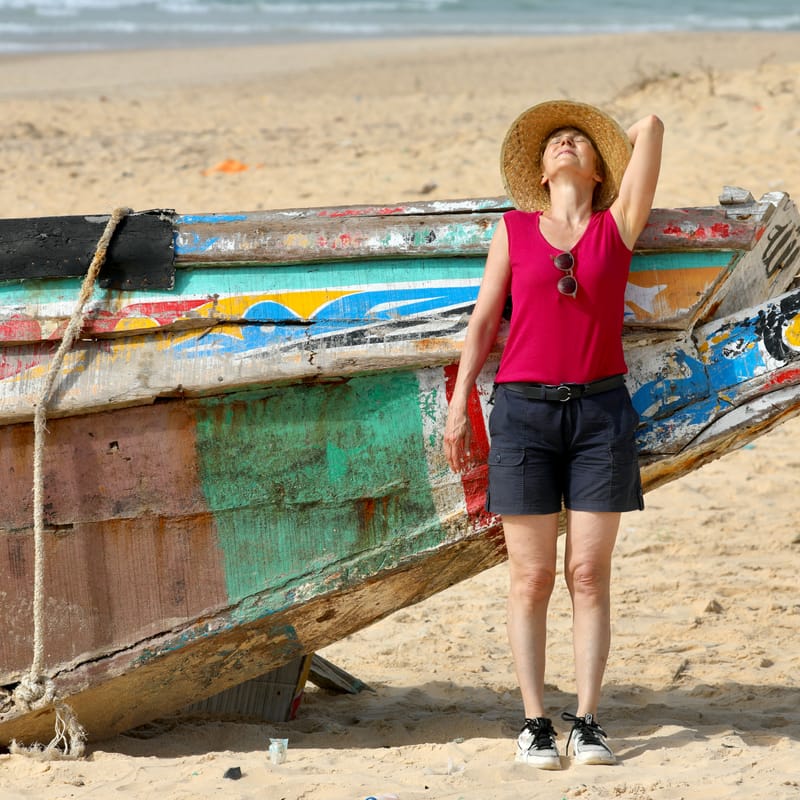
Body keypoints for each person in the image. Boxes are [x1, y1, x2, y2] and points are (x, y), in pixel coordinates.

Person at [443, 99, 663, 769]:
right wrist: (458, 406)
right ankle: (535, 722)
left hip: (601, 416)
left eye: (580, 142)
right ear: (540, 173)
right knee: (532, 576)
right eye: (555, 142)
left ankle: (587, 722)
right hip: (522, 415)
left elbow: (651, 127)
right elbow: (484, 323)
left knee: (587, 575)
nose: (566, 143)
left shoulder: (618, 225)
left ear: (599, 171)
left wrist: (603, 131)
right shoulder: (513, 230)